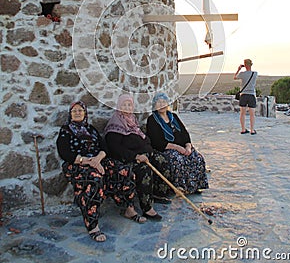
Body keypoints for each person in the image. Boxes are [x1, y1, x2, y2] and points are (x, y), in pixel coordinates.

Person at [56, 101, 146, 243]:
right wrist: (88, 161)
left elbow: (104, 147)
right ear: (70, 114)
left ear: (85, 113)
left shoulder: (91, 129)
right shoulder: (66, 131)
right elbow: (65, 153)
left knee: (124, 171)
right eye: (75, 111)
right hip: (77, 165)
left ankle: (128, 209)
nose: (78, 113)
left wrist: (97, 159)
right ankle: (92, 225)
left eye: (81, 110)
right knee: (94, 179)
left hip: (98, 161)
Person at [104, 94, 172, 222]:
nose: (127, 107)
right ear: (119, 106)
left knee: (162, 160)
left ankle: (157, 193)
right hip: (127, 159)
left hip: (142, 155)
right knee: (144, 170)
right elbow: (116, 149)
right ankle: (147, 208)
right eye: (124, 105)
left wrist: (148, 151)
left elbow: (144, 139)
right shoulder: (115, 123)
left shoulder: (133, 120)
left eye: (129, 105)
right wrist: (136, 156)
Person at [146, 93, 209, 194]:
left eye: (164, 102)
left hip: (182, 147)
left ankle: (195, 186)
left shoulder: (173, 116)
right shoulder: (152, 119)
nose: (162, 105)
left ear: (167, 104)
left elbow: (184, 133)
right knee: (177, 159)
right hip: (166, 148)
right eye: (159, 102)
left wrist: (188, 146)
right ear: (155, 105)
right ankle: (181, 188)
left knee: (197, 157)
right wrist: (177, 148)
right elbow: (156, 142)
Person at [234, 59, 258, 135]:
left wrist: (238, 69)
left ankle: (243, 129)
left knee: (242, 113)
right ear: (251, 64)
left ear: (245, 65)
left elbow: (235, 77)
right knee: (252, 114)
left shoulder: (242, 74)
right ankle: (252, 130)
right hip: (251, 95)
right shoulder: (255, 73)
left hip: (243, 95)